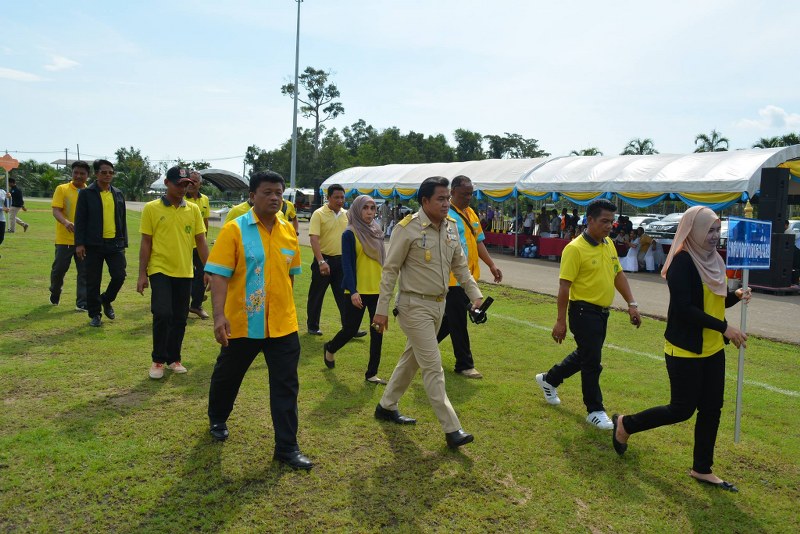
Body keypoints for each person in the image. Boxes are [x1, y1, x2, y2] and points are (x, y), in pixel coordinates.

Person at [612, 206, 750, 492]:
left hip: (713, 349)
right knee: (682, 409)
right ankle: (626, 424)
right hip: (685, 349)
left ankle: (702, 468)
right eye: (709, 230)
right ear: (693, 230)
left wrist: (735, 296)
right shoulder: (682, 263)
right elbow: (686, 310)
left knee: (712, 408)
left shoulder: (713, 261)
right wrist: (725, 328)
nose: (714, 236)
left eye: (717, 230)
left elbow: (714, 301)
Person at [205, 171, 312, 470]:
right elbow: (219, 276)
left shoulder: (289, 231)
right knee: (228, 376)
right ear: (252, 196)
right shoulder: (234, 230)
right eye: (267, 192)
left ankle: (287, 447)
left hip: (282, 325)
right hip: (243, 323)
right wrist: (218, 317)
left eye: (279, 192)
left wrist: (290, 314)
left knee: (286, 386)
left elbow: (290, 276)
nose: (275, 197)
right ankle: (217, 417)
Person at [371, 176, 483, 450]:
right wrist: (381, 310)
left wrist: (475, 295)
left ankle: (386, 406)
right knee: (433, 366)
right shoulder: (407, 228)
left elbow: (460, 267)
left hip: (439, 305)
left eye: (448, 198)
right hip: (413, 306)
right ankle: (452, 428)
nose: (447, 204)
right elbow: (390, 271)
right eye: (441, 199)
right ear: (424, 201)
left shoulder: (451, 228)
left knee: (412, 359)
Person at [535, 199, 642, 430]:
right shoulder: (574, 249)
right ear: (590, 220)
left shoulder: (608, 244)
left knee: (586, 354)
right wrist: (560, 321)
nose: (609, 226)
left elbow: (618, 275)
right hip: (583, 311)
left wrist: (632, 304)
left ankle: (550, 379)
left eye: (611, 222)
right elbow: (564, 287)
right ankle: (594, 409)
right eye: (604, 221)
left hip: (602, 313)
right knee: (592, 362)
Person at [137, 166, 209, 379]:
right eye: (179, 184)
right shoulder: (151, 208)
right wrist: (142, 274)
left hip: (185, 271)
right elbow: (146, 242)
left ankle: (174, 359)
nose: (183, 188)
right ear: (167, 183)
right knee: (162, 313)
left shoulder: (193, 209)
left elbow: (201, 241)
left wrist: (210, 270)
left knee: (179, 317)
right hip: (159, 269)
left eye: (186, 184)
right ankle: (158, 360)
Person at [436, 176, 503, 379]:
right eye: (464, 194)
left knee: (449, 321)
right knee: (458, 321)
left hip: (468, 277)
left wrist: (491, 264)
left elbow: (479, 241)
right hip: (452, 278)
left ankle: (421, 348)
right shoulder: (447, 215)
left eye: (471, 193)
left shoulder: (471, 213)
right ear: (453, 192)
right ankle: (464, 364)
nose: (468, 197)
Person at [323, 195, 388, 383]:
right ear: (357, 210)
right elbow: (347, 265)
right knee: (350, 330)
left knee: (378, 331)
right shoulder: (349, 233)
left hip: (377, 290)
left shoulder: (377, 231)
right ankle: (330, 348)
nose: (369, 212)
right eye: (365, 208)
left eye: (372, 208)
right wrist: (353, 291)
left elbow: (382, 261)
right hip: (357, 291)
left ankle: (371, 373)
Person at [74, 159, 128, 327]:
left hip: (115, 244)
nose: (107, 175)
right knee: (93, 281)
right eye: (104, 172)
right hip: (93, 244)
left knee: (119, 276)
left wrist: (124, 242)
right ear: (96, 174)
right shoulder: (86, 193)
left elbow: (122, 219)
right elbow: (80, 220)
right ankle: (95, 314)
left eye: (111, 172)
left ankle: (106, 299)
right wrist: (79, 244)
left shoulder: (118, 193)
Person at [307, 184, 364, 337]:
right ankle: (313, 326)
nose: (340, 201)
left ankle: (350, 328)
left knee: (344, 296)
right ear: (328, 198)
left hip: (342, 262)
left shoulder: (348, 215)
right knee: (317, 295)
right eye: (336, 197)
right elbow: (314, 239)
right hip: (324, 260)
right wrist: (321, 262)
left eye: (342, 197)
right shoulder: (318, 214)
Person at [49, 160, 89, 310]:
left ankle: (82, 303)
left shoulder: (90, 191)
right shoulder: (62, 189)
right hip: (64, 239)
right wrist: (66, 222)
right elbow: (56, 210)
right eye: (75, 173)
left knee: (84, 272)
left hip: (84, 241)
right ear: (72, 174)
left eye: (82, 173)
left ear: (87, 176)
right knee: (59, 270)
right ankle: (55, 290)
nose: (78, 176)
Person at [185, 171, 211, 319]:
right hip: (184, 244)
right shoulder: (181, 198)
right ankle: (184, 302)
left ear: (200, 184)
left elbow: (205, 221)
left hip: (199, 245)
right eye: (189, 181)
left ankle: (196, 305)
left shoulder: (205, 199)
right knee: (186, 274)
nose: (191, 184)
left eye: (194, 181)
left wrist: (204, 240)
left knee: (202, 273)